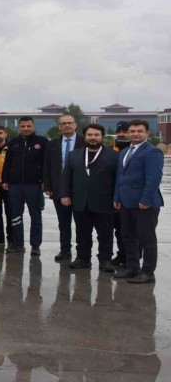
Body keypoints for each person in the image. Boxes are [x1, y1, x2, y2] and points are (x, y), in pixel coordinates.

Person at [59, 124, 118, 272]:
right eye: (90, 135)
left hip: (104, 202)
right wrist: (65, 194)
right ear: (84, 136)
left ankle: (105, 260)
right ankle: (82, 258)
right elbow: (66, 177)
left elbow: (118, 180)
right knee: (82, 232)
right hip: (80, 201)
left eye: (96, 135)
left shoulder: (113, 156)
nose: (93, 138)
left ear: (102, 137)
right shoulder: (74, 155)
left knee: (105, 234)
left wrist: (118, 198)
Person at [113, 120, 164, 284]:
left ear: (147, 133)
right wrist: (117, 197)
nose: (135, 133)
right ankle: (132, 267)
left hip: (144, 204)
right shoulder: (125, 151)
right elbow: (120, 177)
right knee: (127, 236)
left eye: (139, 131)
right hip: (126, 203)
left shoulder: (152, 152)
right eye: (132, 131)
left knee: (146, 239)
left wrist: (146, 199)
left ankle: (148, 272)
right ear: (128, 133)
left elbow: (153, 179)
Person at [1, 116, 48, 255]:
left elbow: (47, 164)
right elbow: (7, 163)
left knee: (36, 216)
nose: (26, 129)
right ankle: (18, 244)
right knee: (15, 216)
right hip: (15, 186)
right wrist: (5, 180)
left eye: (28, 126)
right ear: (19, 127)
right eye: (23, 126)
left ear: (33, 126)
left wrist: (46, 181)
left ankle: (35, 245)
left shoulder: (42, 142)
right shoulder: (14, 143)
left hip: (34, 186)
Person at [43, 114, 85, 261]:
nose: (67, 126)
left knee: (82, 223)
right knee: (63, 222)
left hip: (80, 189)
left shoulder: (84, 142)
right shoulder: (52, 144)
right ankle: (65, 250)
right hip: (59, 189)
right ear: (59, 127)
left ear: (75, 125)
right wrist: (47, 185)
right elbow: (47, 165)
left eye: (69, 123)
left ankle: (82, 253)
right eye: (63, 123)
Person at [110, 120, 131, 268]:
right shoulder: (110, 149)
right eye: (119, 132)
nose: (121, 134)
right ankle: (121, 254)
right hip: (114, 197)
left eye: (125, 131)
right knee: (119, 229)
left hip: (131, 197)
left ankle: (132, 258)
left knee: (131, 231)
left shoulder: (135, 150)